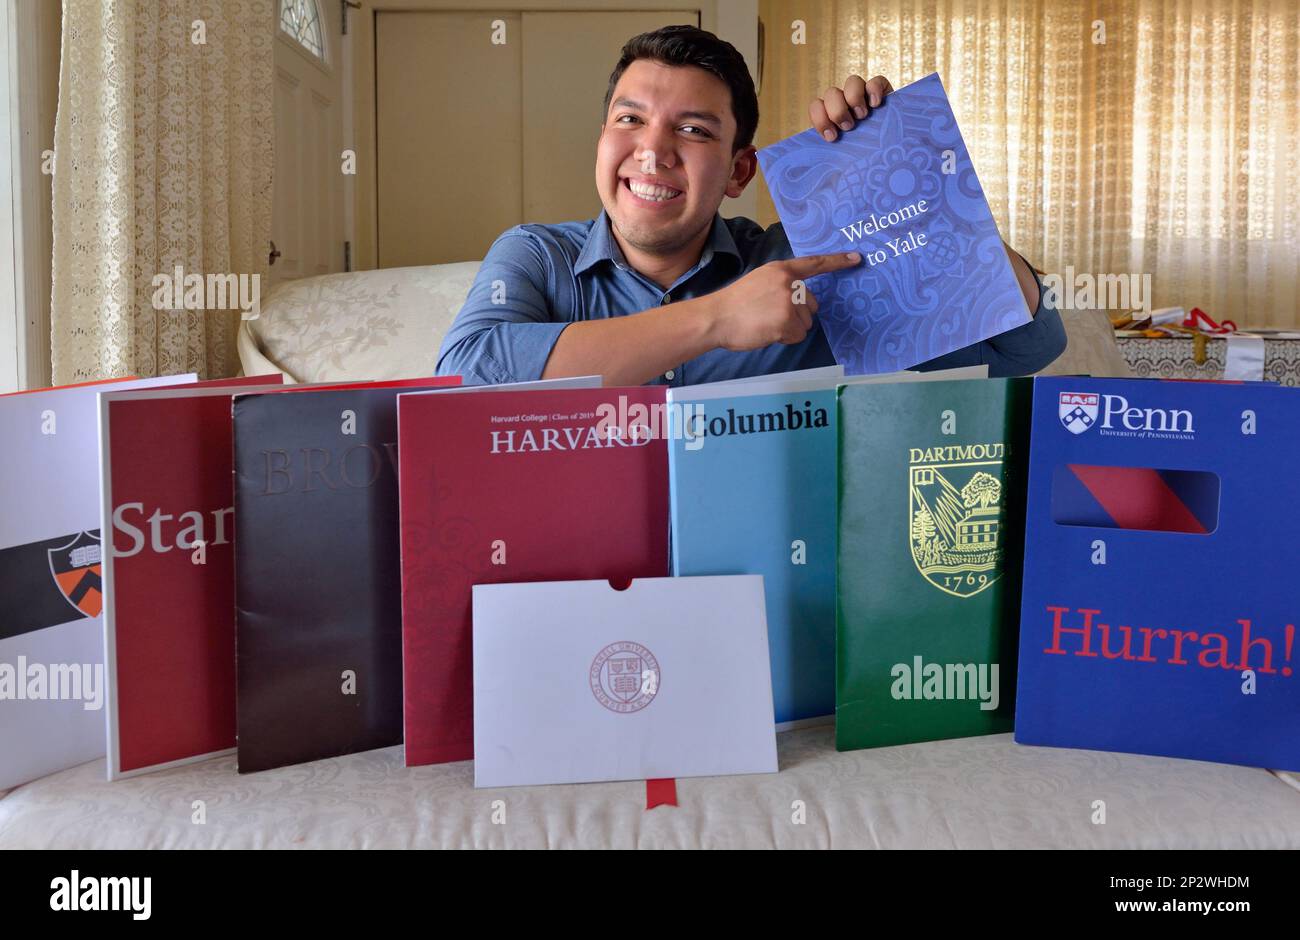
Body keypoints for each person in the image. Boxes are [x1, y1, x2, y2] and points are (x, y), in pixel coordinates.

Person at [437, 25, 1065, 388]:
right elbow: (465, 378)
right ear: (602, 139)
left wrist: (898, 169)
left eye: (694, 130)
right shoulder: (535, 255)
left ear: (739, 170)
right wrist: (715, 319)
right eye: (629, 119)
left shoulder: (807, 265)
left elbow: (1023, 345)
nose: (652, 151)